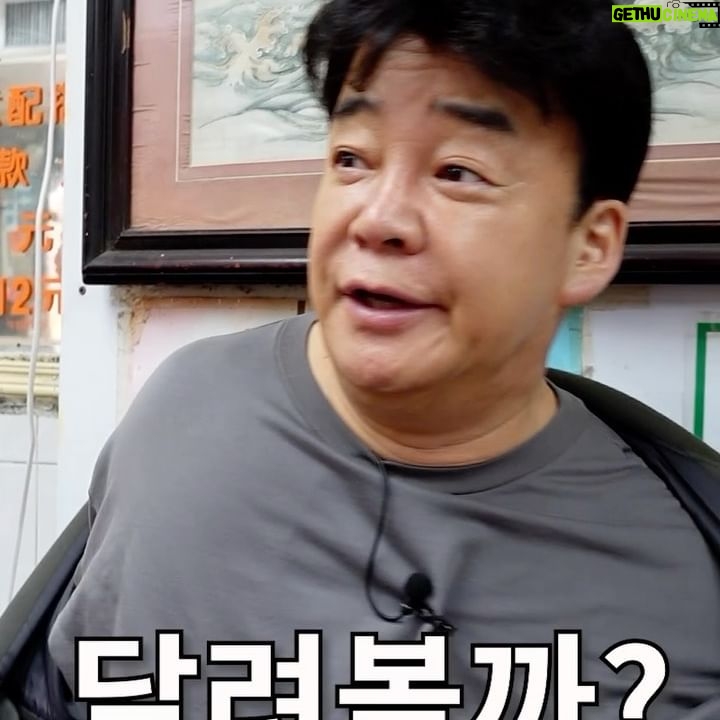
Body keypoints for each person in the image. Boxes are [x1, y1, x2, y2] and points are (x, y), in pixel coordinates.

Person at [11, 0, 720, 718]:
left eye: (458, 171)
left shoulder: (678, 574)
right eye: (352, 159)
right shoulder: (183, 416)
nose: (378, 219)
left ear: (589, 247)